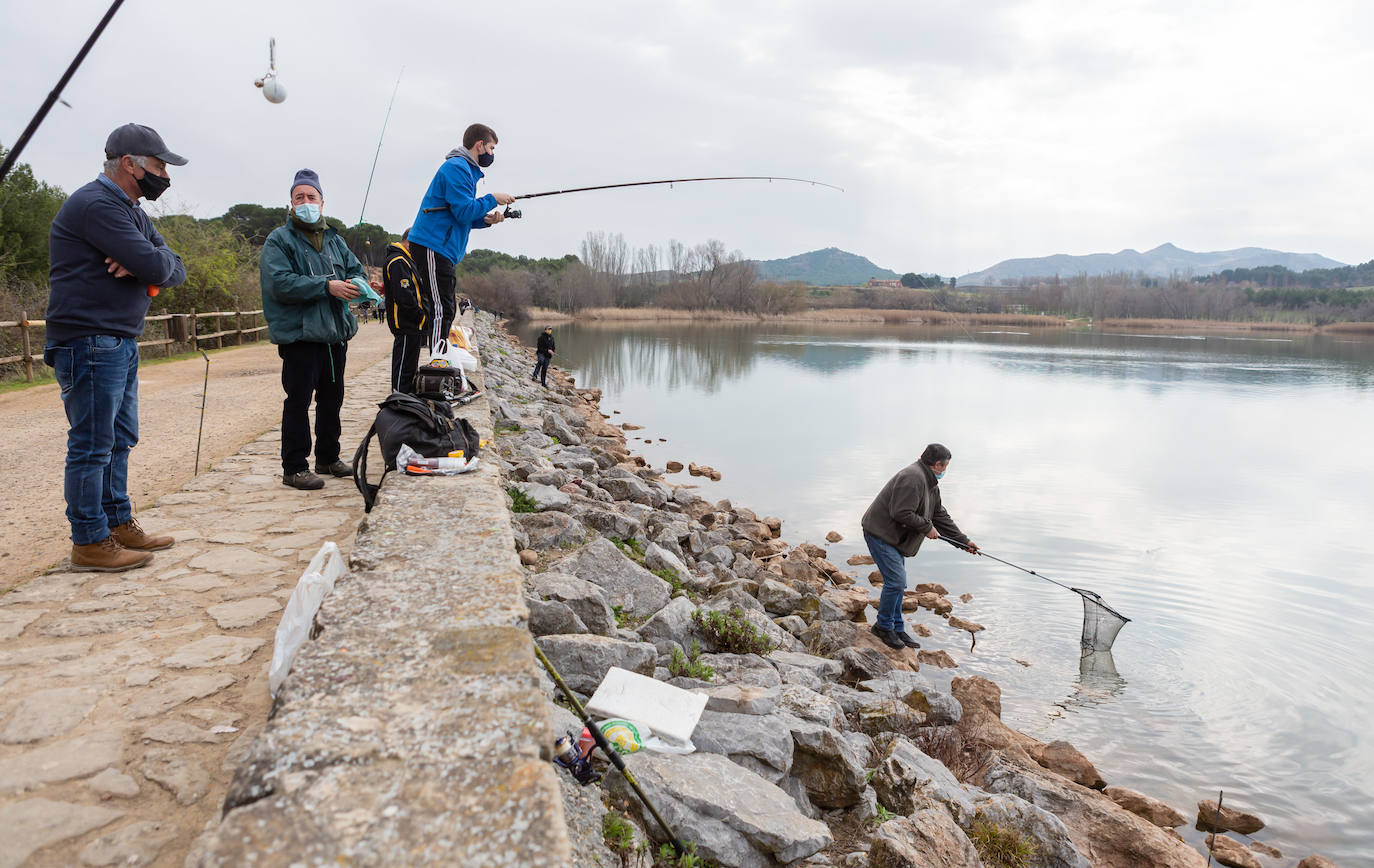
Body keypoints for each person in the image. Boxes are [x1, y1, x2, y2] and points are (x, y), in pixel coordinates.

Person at [44, 123, 187, 572]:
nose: (164, 175)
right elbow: (156, 263)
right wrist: (148, 264)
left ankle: (117, 522)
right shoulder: (96, 204)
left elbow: (175, 269)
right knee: (92, 443)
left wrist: (146, 266)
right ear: (130, 163)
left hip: (118, 338)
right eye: (159, 165)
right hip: (88, 338)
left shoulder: (133, 212)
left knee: (120, 439)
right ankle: (89, 540)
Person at [260, 169, 365, 490]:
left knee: (332, 399)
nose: (306, 202)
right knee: (298, 400)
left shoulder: (336, 240)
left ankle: (328, 457)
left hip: (335, 335)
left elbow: (355, 271)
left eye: (311, 197)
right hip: (301, 336)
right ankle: (294, 467)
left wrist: (361, 285)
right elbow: (279, 284)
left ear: (322, 202)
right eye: (299, 197)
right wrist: (326, 286)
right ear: (291, 203)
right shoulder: (279, 239)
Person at [860, 443, 979, 650]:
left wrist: (963, 542)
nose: (945, 470)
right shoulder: (913, 478)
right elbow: (901, 512)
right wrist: (926, 527)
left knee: (898, 582)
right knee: (896, 581)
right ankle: (883, 627)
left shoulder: (930, 482)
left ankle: (896, 627)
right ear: (936, 464)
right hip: (880, 534)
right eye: (945, 466)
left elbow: (939, 515)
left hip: (894, 538)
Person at [407, 123, 512, 350]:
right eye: (492, 148)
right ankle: (436, 359)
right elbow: (464, 211)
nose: (492, 154)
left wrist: (486, 220)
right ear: (479, 145)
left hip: (442, 249)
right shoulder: (458, 168)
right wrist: (492, 198)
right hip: (432, 245)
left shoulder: (466, 171)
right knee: (441, 308)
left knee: (446, 307)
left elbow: (459, 215)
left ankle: (440, 355)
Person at [383, 229, 424, 393]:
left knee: (410, 365)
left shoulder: (407, 260)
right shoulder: (398, 261)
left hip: (412, 323)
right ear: (410, 241)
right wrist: (421, 317)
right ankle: (399, 398)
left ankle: (406, 398)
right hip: (406, 322)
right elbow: (404, 295)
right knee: (403, 367)